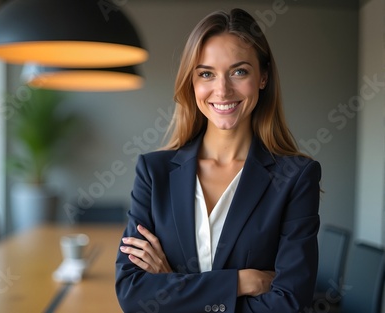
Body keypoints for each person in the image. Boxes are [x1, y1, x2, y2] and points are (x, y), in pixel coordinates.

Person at [115, 8, 321, 313]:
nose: (222, 90)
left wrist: (172, 283)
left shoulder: (296, 176)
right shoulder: (153, 172)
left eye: (239, 71)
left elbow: (288, 303)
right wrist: (239, 282)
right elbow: (132, 294)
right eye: (206, 73)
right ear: (192, 82)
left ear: (263, 77)